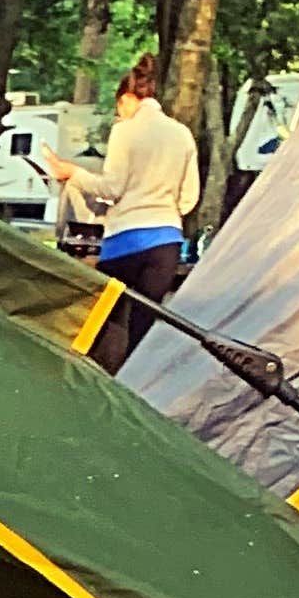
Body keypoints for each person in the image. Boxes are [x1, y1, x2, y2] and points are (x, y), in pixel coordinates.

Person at [47, 56, 202, 373]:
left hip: (125, 243)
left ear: (127, 98)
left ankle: (92, 379)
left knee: (105, 322)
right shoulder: (182, 134)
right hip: (166, 243)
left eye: (119, 107)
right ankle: (133, 385)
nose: (119, 114)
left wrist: (73, 174)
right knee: (142, 331)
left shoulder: (125, 131)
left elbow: (112, 187)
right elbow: (189, 198)